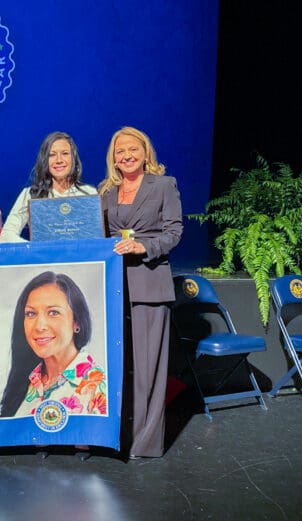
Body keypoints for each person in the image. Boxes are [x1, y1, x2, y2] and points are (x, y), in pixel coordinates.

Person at [98, 126, 183, 459]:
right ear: (113, 157)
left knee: (148, 369)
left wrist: (143, 247)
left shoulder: (163, 185)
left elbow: (174, 232)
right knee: (118, 367)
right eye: (120, 151)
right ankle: (117, 436)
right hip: (113, 287)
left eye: (133, 149)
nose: (127, 155)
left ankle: (145, 442)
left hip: (149, 283)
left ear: (145, 152)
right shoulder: (106, 191)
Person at [0, 271, 107, 419]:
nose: (39, 326)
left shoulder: (100, 388)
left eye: (53, 313)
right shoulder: (26, 382)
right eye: (31, 314)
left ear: (76, 322)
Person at [0, 131, 98, 243]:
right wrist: (36, 249)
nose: (59, 160)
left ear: (73, 158)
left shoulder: (89, 193)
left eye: (65, 153)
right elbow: (6, 236)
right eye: (52, 155)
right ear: (44, 160)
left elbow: (97, 236)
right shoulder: (30, 194)